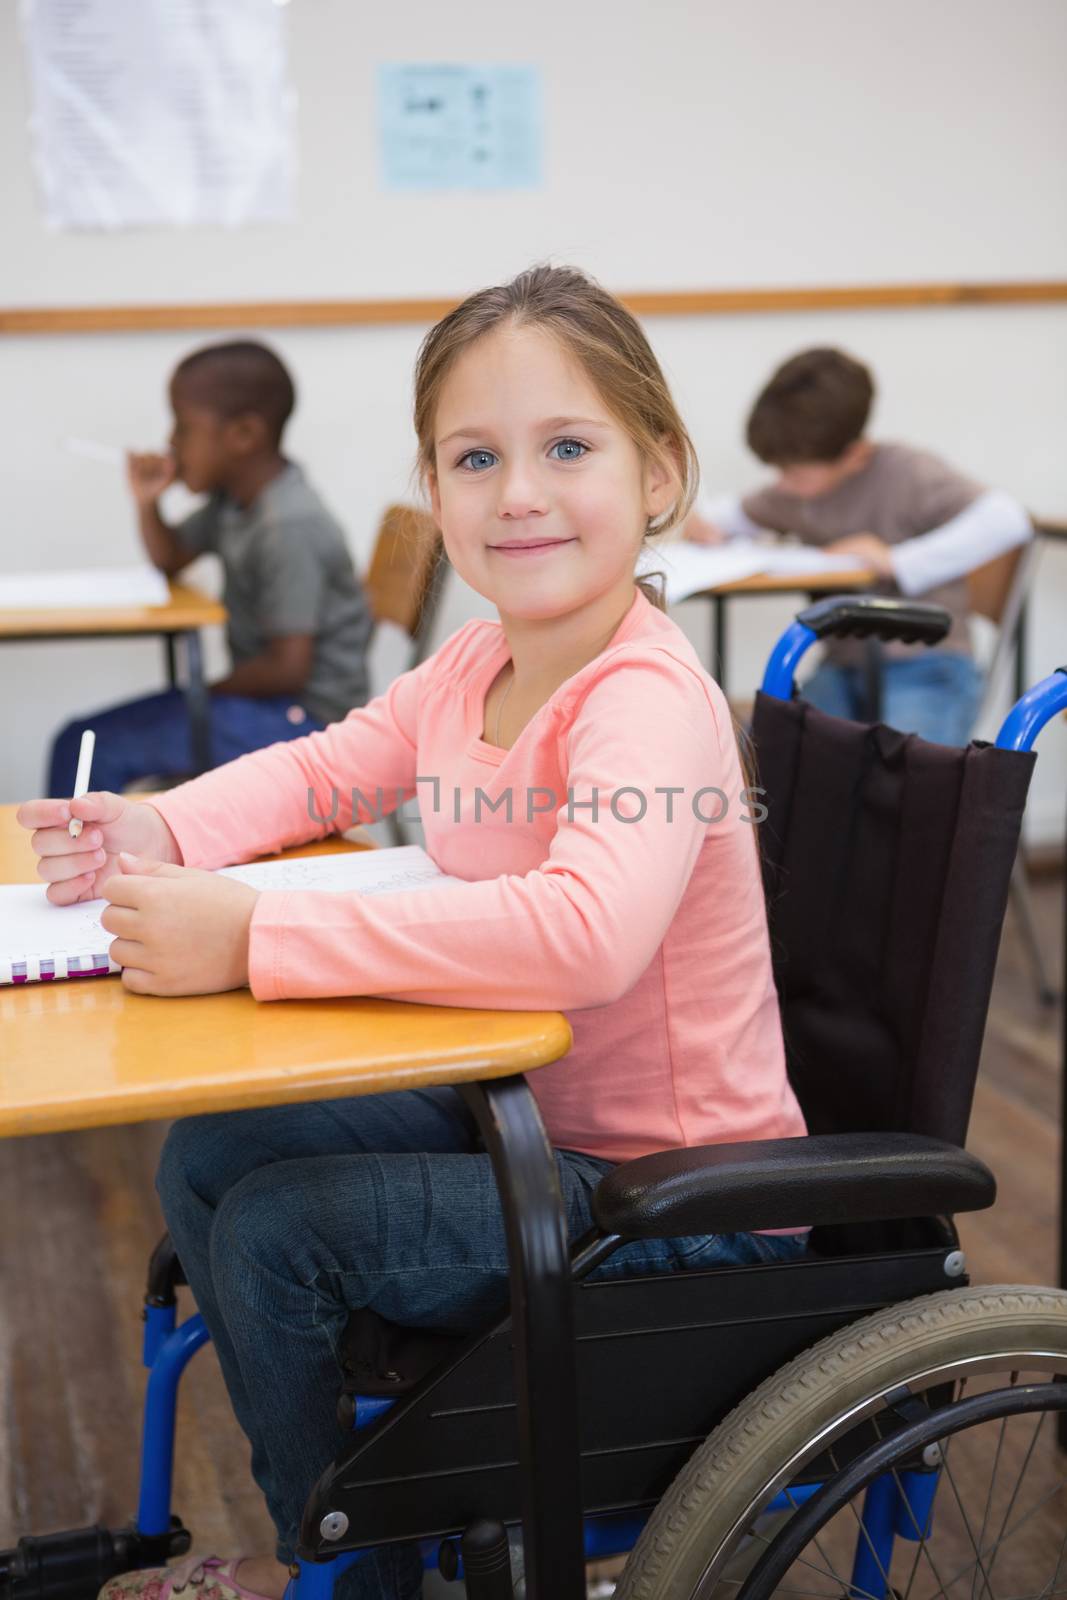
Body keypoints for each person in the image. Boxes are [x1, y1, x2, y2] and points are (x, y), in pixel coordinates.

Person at [18, 267, 807, 1600]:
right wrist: (157, 833)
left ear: (657, 470)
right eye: (474, 457)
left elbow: (585, 937)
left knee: (281, 1234)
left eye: (567, 447)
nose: (517, 492)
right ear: (433, 492)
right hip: (526, 1119)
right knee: (213, 1158)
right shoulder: (474, 664)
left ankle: (336, 1570)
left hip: (668, 1202)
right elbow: (329, 768)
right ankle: (349, 1538)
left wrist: (255, 937)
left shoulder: (645, 697)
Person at [47, 340, 373, 797]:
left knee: (87, 746)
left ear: (242, 435)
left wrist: (199, 693)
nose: (171, 444)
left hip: (306, 722)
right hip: (269, 704)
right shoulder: (235, 501)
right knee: (82, 740)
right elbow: (172, 557)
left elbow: (287, 669)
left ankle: (78, 867)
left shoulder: (289, 526)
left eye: (182, 428)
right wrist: (148, 501)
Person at [685, 347, 1032, 745]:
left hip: (927, 664)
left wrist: (896, 560)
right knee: (777, 752)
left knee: (910, 779)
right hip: (845, 667)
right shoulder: (796, 493)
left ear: (854, 455)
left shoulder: (907, 472)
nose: (781, 482)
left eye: (793, 471)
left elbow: (1008, 518)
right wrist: (705, 526)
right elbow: (726, 517)